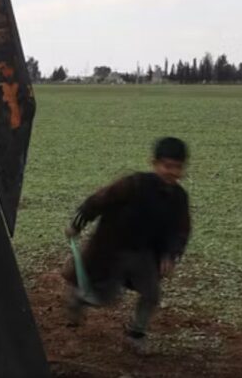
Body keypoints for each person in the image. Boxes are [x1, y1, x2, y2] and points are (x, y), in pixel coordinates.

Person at [62, 137, 192, 355]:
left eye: (177, 167)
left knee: (151, 294)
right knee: (104, 297)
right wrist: (77, 224)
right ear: (154, 163)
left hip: (144, 254)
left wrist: (170, 255)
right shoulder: (133, 184)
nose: (172, 172)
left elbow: (180, 231)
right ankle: (78, 298)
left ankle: (136, 333)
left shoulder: (179, 198)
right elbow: (98, 201)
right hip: (112, 249)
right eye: (167, 166)